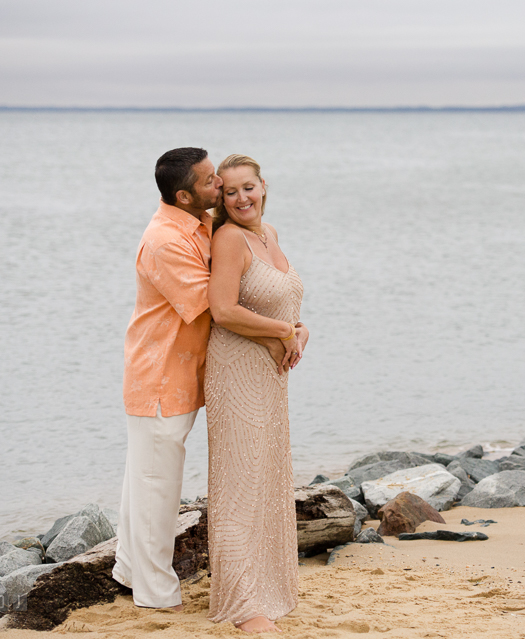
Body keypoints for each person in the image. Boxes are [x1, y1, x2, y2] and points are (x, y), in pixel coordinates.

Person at [114, 148, 289, 611]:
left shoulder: (197, 224)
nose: (221, 189)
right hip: (160, 376)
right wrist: (278, 333)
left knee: (142, 477)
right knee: (157, 486)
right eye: (212, 182)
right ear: (184, 195)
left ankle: (128, 569)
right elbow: (215, 307)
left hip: (185, 372)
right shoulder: (166, 241)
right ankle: (154, 593)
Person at [204, 154, 307, 633]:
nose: (242, 198)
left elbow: (282, 305)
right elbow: (222, 310)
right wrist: (284, 330)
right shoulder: (227, 238)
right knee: (238, 485)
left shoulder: (271, 235)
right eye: (230, 192)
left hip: (271, 376)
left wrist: (299, 333)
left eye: (248, 187)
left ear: (264, 186)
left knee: (266, 479)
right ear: (220, 200)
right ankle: (244, 605)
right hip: (237, 372)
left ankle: (268, 585)